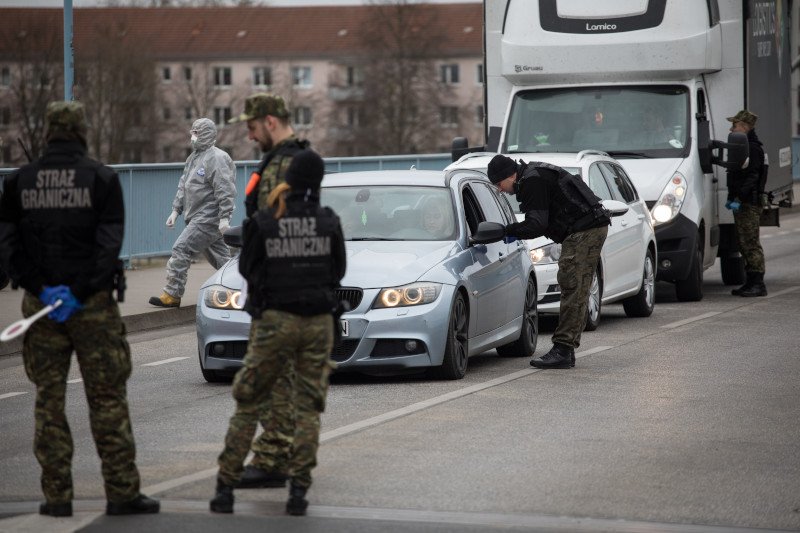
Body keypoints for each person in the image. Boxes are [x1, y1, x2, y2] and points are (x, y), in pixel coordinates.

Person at [0, 101, 159, 517]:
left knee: (48, 402)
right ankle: (122, 492)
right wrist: (81, 290)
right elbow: (109, 245)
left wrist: (43, 287)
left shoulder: (19, 182)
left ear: (49, 131)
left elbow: (9, 248)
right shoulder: (102, 179)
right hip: (92, 306)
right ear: (81, 131)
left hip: (41, 306)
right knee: (107, 398)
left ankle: (57, 497)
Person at [210, 150, 346, 516]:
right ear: (317, 183)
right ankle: (298, 493)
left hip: (274, 320)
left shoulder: (264, 221)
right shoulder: (329, 221)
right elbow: (338, 273)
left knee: (249, 400)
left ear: (289, 178)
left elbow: (249, 271)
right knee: (308, 406)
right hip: (317, 322)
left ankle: (224, 488)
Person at [225, 93, 310, 490]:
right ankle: (279, 456)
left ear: (271, 121)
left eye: (252, 125)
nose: (249, 132)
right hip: (273, 286)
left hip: (278, 288)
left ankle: (275, 457)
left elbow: (281, 229)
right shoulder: (283, 160)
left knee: (266, 378)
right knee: (279, 377)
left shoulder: (288, 165)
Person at [487, 154, 611, 369]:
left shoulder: (531, 181)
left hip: (584, 231)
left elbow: (536, 224)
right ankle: (566, 350)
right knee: (576, 288)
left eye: (499, 184)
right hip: (587, 228)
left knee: (573, 287)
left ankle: (562, 350)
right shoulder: (534, 175)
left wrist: (507, 231)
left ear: (509, 176)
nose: (500, 190)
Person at [149, 118, 236, 307]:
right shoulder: (194, 158)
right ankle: (247, 288)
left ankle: (172, 294)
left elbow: (225, 189)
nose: (192, 137)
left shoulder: (217, 158)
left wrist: (224, 217)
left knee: (181, 248)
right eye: (192, 132)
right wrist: (175, 210)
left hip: (208, 218)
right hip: (197, 216)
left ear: (206, 134)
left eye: (196, 133)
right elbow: (184, 185)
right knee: (223, 260)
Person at [726, 109, 767, 297]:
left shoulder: (754, 148)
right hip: (742, 201)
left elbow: (753, 176)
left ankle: (758, 283)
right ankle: (750, 282)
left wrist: (739, 197)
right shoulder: (743, 146)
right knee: (743, 242)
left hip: (749, 202)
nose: (731, 128)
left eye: (734, 125)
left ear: (744, 126)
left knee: (750, 242)